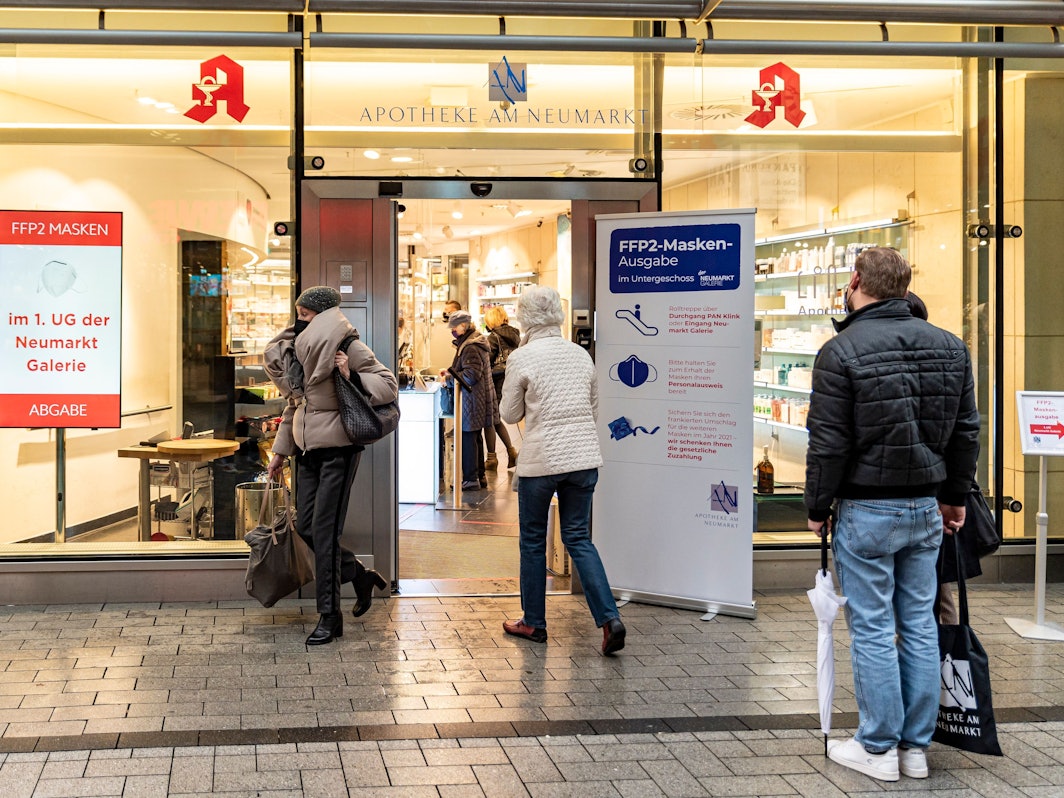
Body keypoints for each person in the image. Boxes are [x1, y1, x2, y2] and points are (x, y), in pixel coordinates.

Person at [805, 249, 979, 781]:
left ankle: (877, 748)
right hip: (926, 508)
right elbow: (966, 431)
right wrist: (953, 498)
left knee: (875, 628)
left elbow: (829, 444)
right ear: (905, 286)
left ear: (855, 282)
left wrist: (816, 506)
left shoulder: (840, 351)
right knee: (920, 625)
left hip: (866, 508)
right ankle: (915, 750)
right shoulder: (952, 346)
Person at [264, 286, 398, 646]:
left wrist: (351, 375)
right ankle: (358, 574)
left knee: (324, 532)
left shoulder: (346, 344)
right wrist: (280, 452)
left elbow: (388, 384)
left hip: (339, 450)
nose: (298, 320)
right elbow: (296, 404)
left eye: (304, 314)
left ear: (319, 315)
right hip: (306, 450)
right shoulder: (302, 353)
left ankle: (330, 616)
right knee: (306, 526)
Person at [499, 285, 626, 656]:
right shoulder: (580, 354)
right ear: (557, 313)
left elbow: (509, 414)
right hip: (584, 460)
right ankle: (609, 619)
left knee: (534, 542)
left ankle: (534, 622)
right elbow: (594, 408)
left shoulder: (523, 357)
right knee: (578, 538)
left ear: (525, 317)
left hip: (542, 462)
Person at [442, 310, 494, 490]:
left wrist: (449, 378)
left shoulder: (470, 346)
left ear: (463, 325)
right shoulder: (474, 341)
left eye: (454, 327)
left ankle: (470, 479)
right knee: (475, 437)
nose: (452, 331)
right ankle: (479, 476)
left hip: (470, 400)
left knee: (468, 438)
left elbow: (470, 375)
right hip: (477, 399)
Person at [482, 305, 520, 470]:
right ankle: (510, 452)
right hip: (510, 379)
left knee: (490, 418)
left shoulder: (493, 338)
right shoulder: (516, 335)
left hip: (496, 381)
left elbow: (487, 363)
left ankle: (492, 458)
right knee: (495, 418)